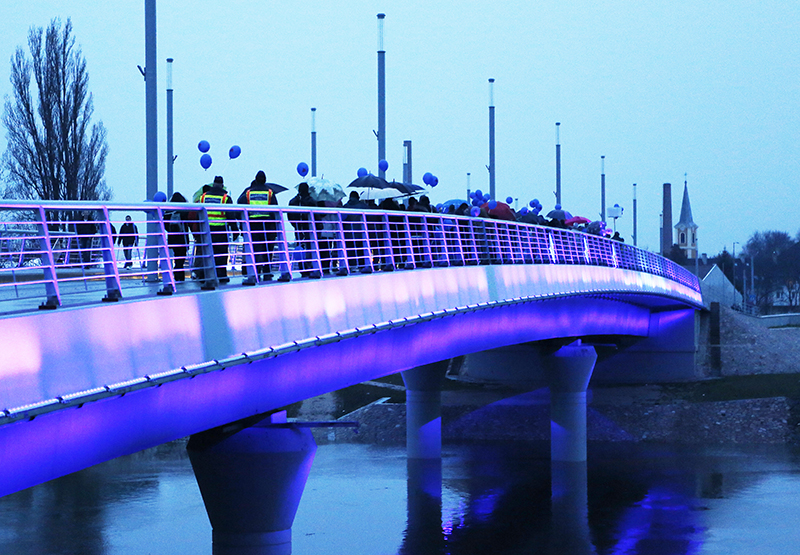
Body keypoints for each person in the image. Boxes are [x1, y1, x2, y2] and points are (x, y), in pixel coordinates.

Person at [238, 170, 279, 282]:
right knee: (267, 249)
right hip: (267, 225)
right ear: (265, 180)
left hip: (252, 225)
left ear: (255, 179)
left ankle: (255, 272)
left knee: (255, 249)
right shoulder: (270, 192)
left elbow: (240, 204)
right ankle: (267, 273)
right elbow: (275, 210)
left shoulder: (248, 192)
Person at [199, 176, 239, 283]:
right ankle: (221, 276)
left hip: (206, 229)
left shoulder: (203, 197)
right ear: (222, 185)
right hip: (220, 230)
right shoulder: (225, 198)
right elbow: (230, 216)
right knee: (221, 254)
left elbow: (199, 214)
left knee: (207, 253)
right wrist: (235, 230)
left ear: (213, 184)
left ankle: (205, 275)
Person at [288, 182, 319, 279]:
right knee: (310, 247)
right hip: (309, 228)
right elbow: (316, 216)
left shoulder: (293, 201)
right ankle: (309, 267)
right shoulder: (311, 201)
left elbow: (290, 216)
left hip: (298, 228)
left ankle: (302, 268)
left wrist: (295, 225)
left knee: (300, 247)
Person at [341, 191, 369, 274]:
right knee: (361, 250)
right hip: (360, 232)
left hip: (348, 233)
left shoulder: (345, 206)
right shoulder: (363, 206)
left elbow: (342, 218)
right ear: (358, 197)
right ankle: (362, 266)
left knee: (350, 251)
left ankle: (351, 266)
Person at [165, 192, 189, 281]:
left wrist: (171, 230)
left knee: (176, 256)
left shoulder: (169, 211)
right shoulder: (184, 210)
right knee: (181, 257)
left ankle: (177, 274)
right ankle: (180, 275)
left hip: (173, 237)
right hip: (182, 237)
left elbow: (165, 224)